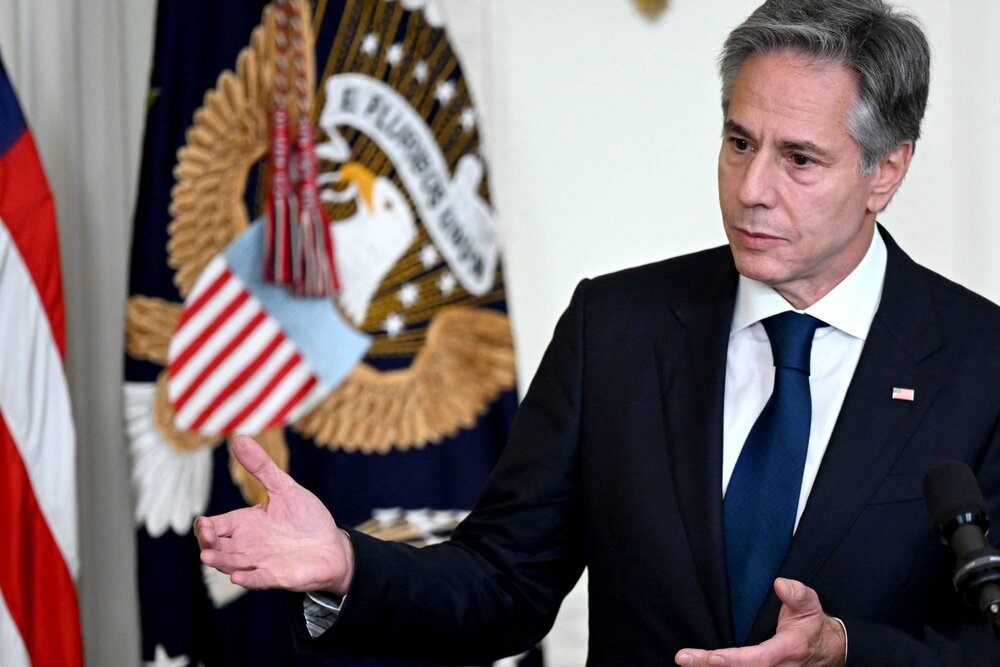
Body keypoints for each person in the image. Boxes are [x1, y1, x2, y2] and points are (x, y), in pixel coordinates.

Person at [195, 0, 1000, 664]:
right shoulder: (615, 329)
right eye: (739, 142)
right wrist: (348, 564)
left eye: (799, 160)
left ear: (885, 171)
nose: (752, 187)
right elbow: (503, 582)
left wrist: (850, 651)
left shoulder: (980, 363)